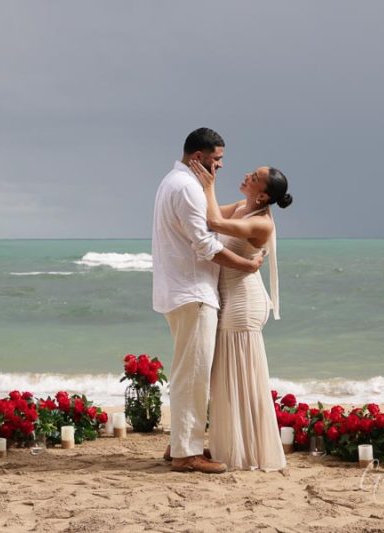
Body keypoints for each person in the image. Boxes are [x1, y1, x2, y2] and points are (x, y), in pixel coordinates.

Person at [152, 127, 264, 474]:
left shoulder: (175, 181)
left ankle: (180, 444)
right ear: (198, 157)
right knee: (193, 374)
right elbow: (205, 244)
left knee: (189, 370)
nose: (221, 165)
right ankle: (186, 454)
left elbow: (211, 218)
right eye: (217, 159)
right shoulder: (187, 188)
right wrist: (247, 265)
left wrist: (248, 207)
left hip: (181, 291)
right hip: (193, 292)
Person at [188, 159, 292, 471]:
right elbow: (206, 217)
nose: (247, 175)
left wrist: (209, 186)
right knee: (226, 376)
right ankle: (231, 443)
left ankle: (246, 449)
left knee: (239, 375)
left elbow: (214, 222)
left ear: (263, 196)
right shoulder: (240, 207)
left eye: (255, 177)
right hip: (228, 298)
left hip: (243, 303)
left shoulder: (262, 223)